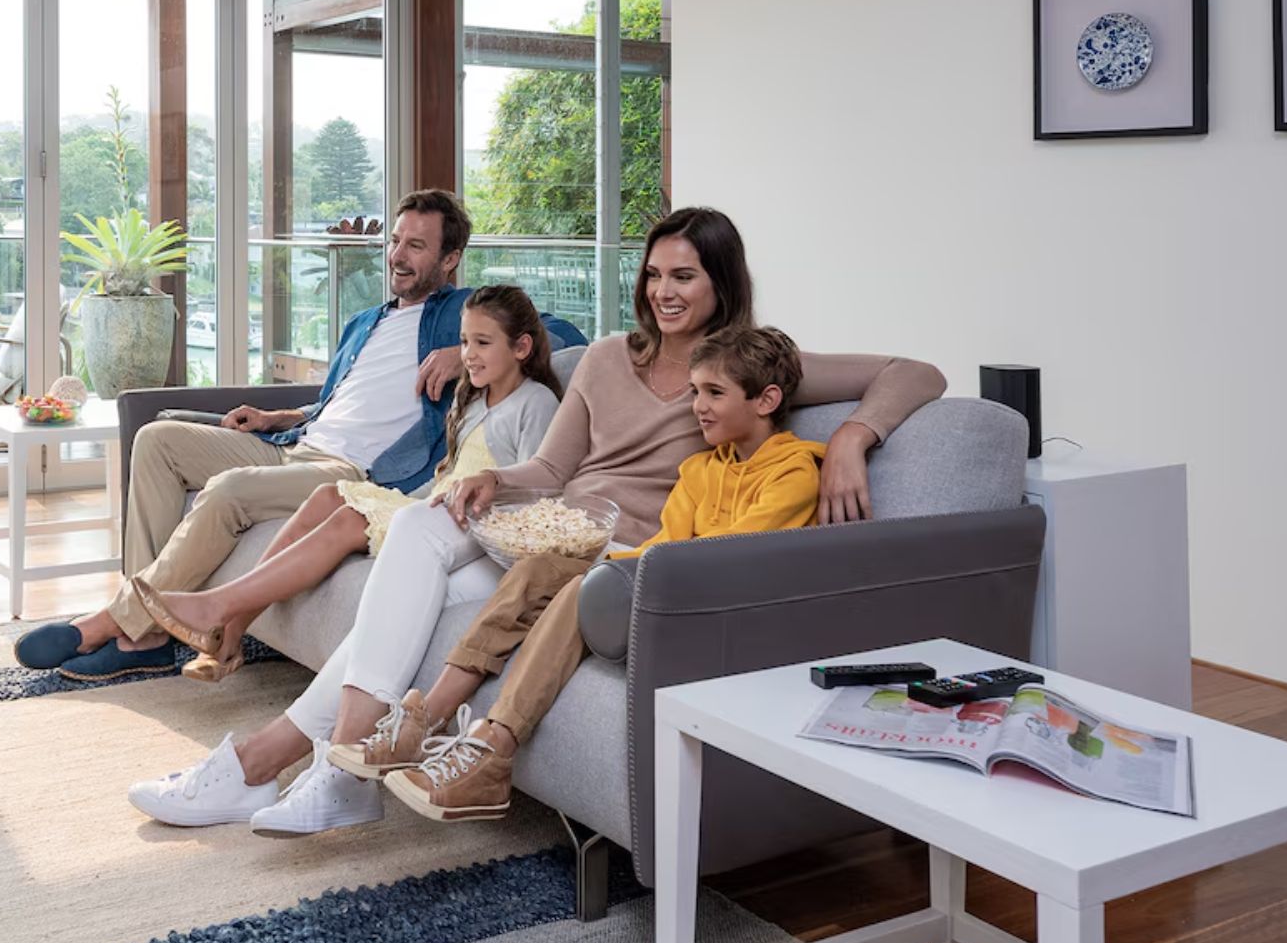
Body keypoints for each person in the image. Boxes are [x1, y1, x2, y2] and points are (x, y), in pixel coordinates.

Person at [122, 206, 941, 837]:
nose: (665, 291)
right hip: (545, 527)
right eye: (655, 273)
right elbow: (549, 471)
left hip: (617, 553)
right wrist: (494, 484)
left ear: (721, 282)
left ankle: (294, 767)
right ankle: (334, 774)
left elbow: (917, 371)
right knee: (419, 527)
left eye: (685, 276)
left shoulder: (745, 369)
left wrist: (852, 441)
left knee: (442, 608)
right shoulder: (613, 355)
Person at [14, 190, 585, 682]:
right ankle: (148, 619)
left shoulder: (459, 312)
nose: (398, 256)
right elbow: (337, 400)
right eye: (396, 240)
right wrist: (278, 417)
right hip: (297, 441)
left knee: (232, 489)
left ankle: (129, 629)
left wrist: (459, 354)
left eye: (417, 245)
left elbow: (557, 330)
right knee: (159, 440)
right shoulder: (367, 321)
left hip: (353, 470)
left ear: (451, 258)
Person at [370, 325, 824, 821]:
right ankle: (426, 720)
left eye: (715, 393)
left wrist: (601, 578)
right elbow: (665, 545)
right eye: (695, 391)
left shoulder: (794, 473)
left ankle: (494, 751)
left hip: (716, 613)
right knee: (539, 571)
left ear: (766, 400)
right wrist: (596, 565)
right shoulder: (700, 470)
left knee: (579, 592)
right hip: (669, 584)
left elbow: (727, 559)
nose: (698, 406)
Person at [131, 285, 565, 683]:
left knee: (348, 522)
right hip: (429, 505)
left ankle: (217, 606)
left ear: (522, 346)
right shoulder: (471, 399)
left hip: (464, 523)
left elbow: (534, 492)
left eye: (482, 343)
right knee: (327, 496)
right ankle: (232, 635)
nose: (468, 355)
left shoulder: (536, 403)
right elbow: (444, 477)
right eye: (465, 341)